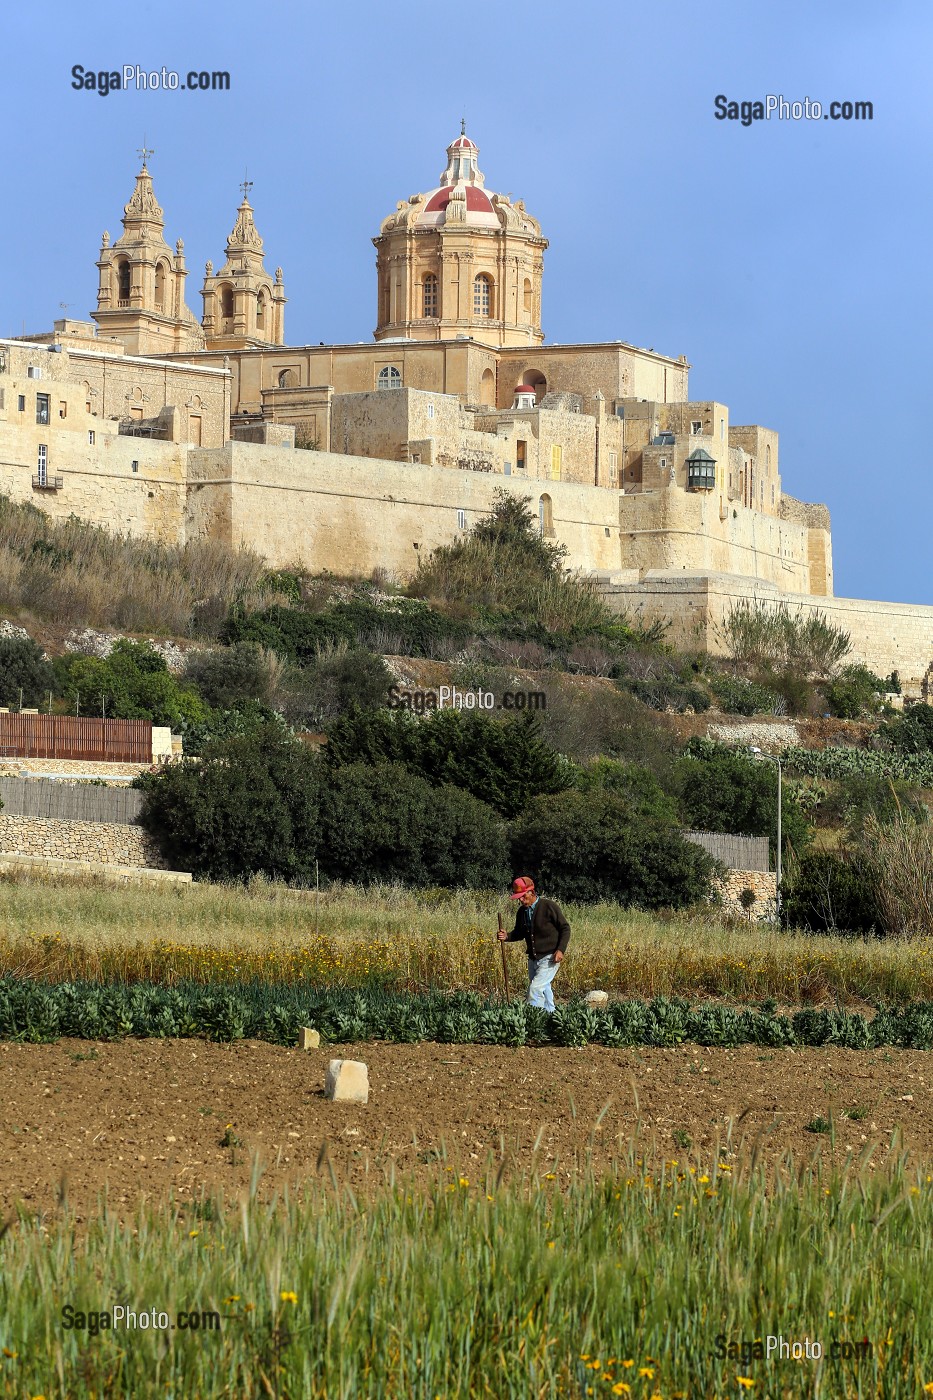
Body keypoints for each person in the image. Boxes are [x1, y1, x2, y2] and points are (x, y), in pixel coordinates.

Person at [498, 875, 570, 1013]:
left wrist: (561, 950)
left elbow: (565, 928)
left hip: (550, 957)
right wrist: (507, 936)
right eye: (518, 897)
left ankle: (533, 1019)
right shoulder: (522, 912)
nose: (520, 900)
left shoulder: (548, 906)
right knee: (544, 989)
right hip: (533, 958)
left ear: (531, 892)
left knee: (535, 989)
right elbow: (519, 933)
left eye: (523, 896)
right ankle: (550, 1016)